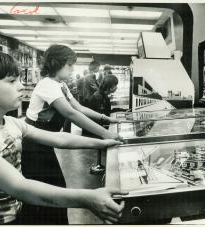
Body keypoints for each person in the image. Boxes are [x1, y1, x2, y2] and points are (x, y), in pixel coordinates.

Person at [0, 49, 126, 225]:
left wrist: (103, 143)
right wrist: (88, 198)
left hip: (15, 215)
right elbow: (19, 187)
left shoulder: (13, 123)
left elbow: (59, 138)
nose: (21, 86)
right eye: (12, 81)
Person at [21, 45, 122, 224]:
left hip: (46, 142)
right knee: (47, 194)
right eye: (69, 65)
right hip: (34, 146)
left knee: (54, 190)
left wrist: (106, 118)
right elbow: (71, 114)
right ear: (56, 64)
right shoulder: (47, 85)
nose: (72, 69)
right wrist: (107, 134)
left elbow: (80, 108)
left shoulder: (61, 85)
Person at [84, 75, 119, 173]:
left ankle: (99, 164)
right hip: (96, 128)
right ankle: (98, 165)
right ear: (110, 87)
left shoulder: (102, 95)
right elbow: (99, 116)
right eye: (115, 85)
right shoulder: (98, 97)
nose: (116, 87)